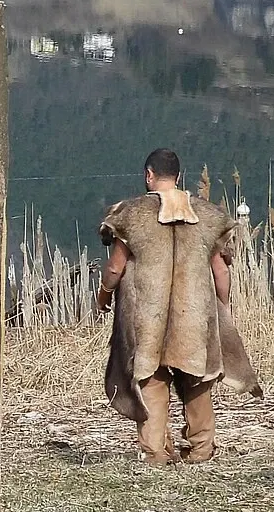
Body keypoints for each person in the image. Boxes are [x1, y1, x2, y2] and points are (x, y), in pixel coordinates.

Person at [96, 148, 260, 464]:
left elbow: (115, 268)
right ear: (179, 177)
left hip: (148, 316)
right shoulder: (207, 216)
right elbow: (221, 270)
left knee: (152, 378)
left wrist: (103, 296)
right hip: (195, 314)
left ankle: (156, 452)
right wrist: (221, 307)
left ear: (149, 175)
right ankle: (201, 450)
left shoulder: (130, 215)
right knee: (197, 379)